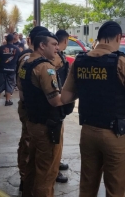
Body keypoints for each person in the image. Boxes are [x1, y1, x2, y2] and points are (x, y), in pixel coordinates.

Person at [61, 21, 125, 196]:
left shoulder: (80, 61)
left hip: (88, 133)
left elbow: (65, 97)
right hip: (114, 135)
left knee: (87, 186)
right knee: (115, 190)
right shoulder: (123, 63)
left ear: (99, 38)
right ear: (118, 37)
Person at [18, 31, 67, 197]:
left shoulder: (25, 64)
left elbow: (23, 95)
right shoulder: (45, 67)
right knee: (46, 174)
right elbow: (56, 101)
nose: (57, 48)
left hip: (32, 123)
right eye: (54, 44)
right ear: (42, 45)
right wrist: (75, 94)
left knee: (32, 167)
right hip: (47, 127)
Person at [16, 26, 49, 193]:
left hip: (28, 105)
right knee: (28, 142)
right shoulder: (30, 59)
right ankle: (25, 177)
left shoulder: (28, 58)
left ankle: (28, 177)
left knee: (29, 142)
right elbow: (21, 86)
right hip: (29, 107)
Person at [52, 29, 75, 184]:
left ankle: (56, 163)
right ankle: (53, 171)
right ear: (65, 40)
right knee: (54, 140)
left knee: (57, 139)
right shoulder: (55, 57)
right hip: (54, 104)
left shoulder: (56, 55)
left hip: (57, 103)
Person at [0, 34, 20, 106]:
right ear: (13, 40)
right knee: (10, 84)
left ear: (6, 40)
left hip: (2, 69)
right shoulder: (17, 49)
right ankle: (7, 101)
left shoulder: (2, 47)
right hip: (12, 70)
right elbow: (19, 58)